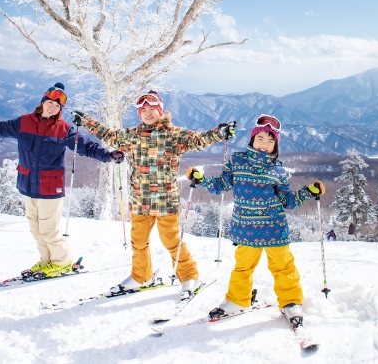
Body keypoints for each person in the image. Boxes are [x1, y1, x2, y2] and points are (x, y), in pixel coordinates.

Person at [73, 90, 234, 300]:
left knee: (172, 241)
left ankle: (189, 276)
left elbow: (198, 140)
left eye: (152, 109)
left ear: (160, 111)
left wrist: (219, 133)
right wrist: (85, 121)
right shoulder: (131, 136)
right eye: (143, 110)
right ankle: (142, 276)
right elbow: (108, 135)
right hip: (140, 200)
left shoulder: (174, 135)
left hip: (166, 201)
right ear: (139, 113)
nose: (148, 113)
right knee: (138, 242)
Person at [0, 83, 122, 279]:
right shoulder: (24, 122)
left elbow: (87, 147)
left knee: (49, 229)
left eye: (57, 106)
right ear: (42, 103)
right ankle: (47, 262)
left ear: (60, 110)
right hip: (28, 184)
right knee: (36, 229)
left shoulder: (64, 129)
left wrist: (109, 156)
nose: (52, 107)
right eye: (49, 103)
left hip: (50, 187)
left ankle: (61, 262)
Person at [187, 114, 324, 327]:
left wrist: (308, 192)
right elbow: (221, 186)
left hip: (274, 228)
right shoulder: (237, 162)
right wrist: (201, 179)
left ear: (275, 146)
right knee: (243, 267)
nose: (265, 144)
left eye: (271, 141)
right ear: (252, 139)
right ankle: (237, 300)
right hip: (245, 228)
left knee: (283, 267)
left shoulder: (278, 171)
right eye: (261, 138)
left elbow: (287, 201)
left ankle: (290, 302)